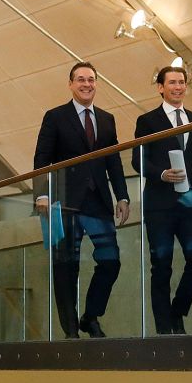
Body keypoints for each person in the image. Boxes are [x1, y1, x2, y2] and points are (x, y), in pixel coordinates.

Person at [33, 62, 129, 338]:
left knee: (111, 261)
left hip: (98, 201)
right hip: (62, 203)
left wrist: (122, 195)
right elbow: (42, 158)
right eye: (81, 79)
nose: (87, 84)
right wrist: (41, 194)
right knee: (65, 267)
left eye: (91, 79)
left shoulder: (107, 119)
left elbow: (113, 161)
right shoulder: (55, 116)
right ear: (71, 84)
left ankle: (90, 316)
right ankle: (71, 331)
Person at [132, 66, 192, 335]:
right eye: (172, 83)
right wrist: (161, 174)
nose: (178, 87)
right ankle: (164, 329)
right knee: (161, 266)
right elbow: (137, 160)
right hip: (159, 205)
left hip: (190, 202)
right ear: (161, 87)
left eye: (181, 82)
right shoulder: (147, 121)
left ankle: (177, 311)